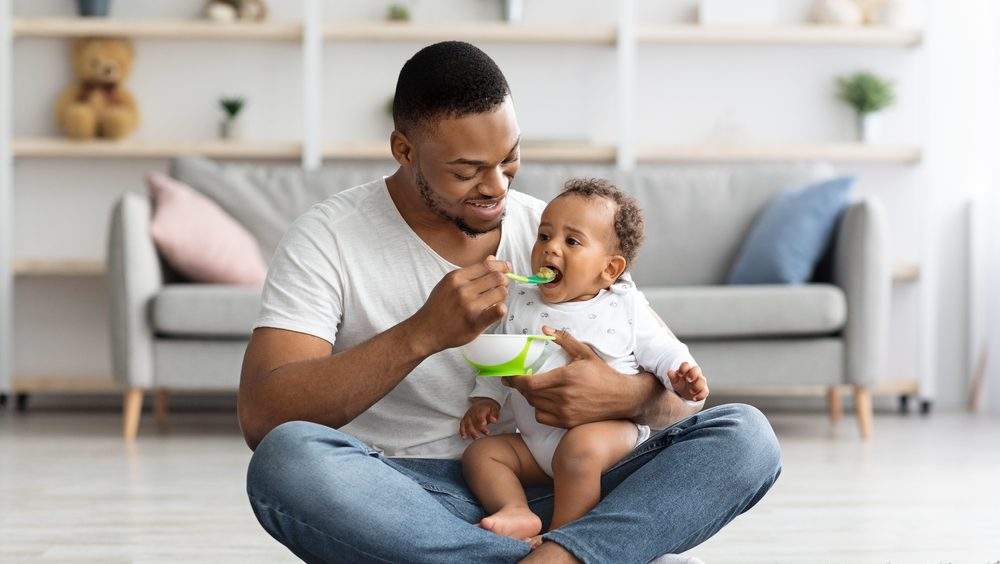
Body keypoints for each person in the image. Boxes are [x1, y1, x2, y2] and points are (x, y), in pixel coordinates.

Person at [239, 40, 781, 563]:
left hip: (567, 484)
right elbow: (266, 418)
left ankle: (560, 553)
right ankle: (591, 553)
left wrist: (622, 395)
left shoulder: (557, 232)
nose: (496, 187)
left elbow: (682, 400)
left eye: (509, 158)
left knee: (747, 437)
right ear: (404, 150)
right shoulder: (327, 238)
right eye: (466, 170)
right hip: (404, 497)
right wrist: (422, 333)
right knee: (287, 464)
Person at [460, 178, 709, 548]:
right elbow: (504, 357)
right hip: (535, 446)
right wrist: (486, 400)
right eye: (544, 236)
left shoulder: (624, 306)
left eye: (571, 241)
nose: (551, 249)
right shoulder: (521, 299)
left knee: (579, 450)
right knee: (482, 454)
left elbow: (664, 350)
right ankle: (516, 509)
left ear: (609, 269)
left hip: (607, 439)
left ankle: (563, 540)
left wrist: (681, 376)